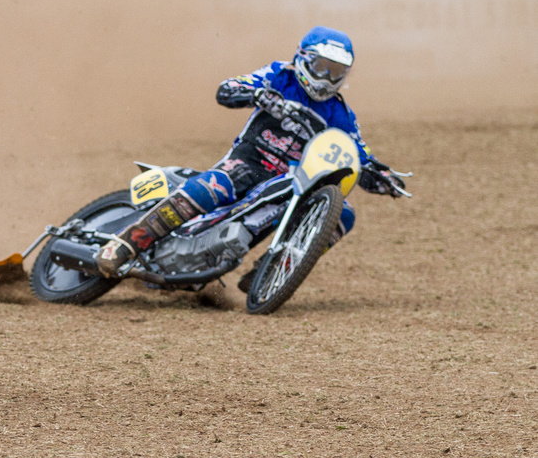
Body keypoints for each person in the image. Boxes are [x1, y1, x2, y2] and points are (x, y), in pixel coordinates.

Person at [96, 26, 410, 279]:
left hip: (290, 180)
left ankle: (275, 271)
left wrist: (380, 176)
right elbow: (227, 89)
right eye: (321, 67)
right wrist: (259, 95)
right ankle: (128, 242)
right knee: (217, 184)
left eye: (336, 72)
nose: (327, 78)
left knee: (346, 213)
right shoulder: (278, 76)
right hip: (249, 160)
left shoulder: (340, 113)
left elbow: (357, 153)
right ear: (302, 58)